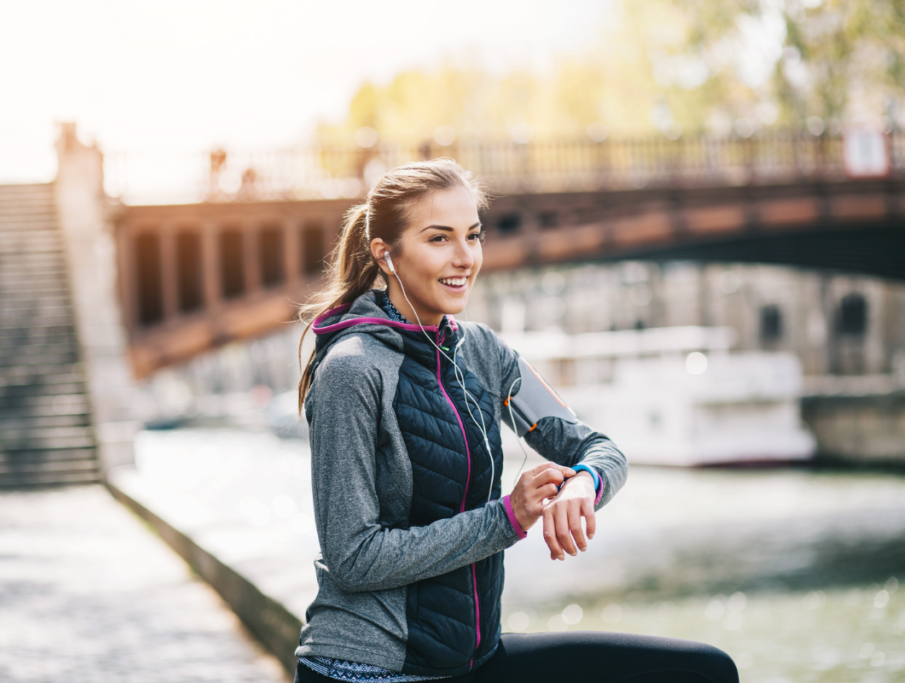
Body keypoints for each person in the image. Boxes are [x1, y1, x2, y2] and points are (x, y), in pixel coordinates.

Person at [293, 159, 738, 683]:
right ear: (386, 254)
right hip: (369, 669)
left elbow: (599, 447)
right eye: (440, 239)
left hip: (472, 660)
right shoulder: (352, 371)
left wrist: (584, 486)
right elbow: (354, 557)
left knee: (703, 672)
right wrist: (507, 518)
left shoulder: (482, 352)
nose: (465, 258)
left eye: (473, 236)